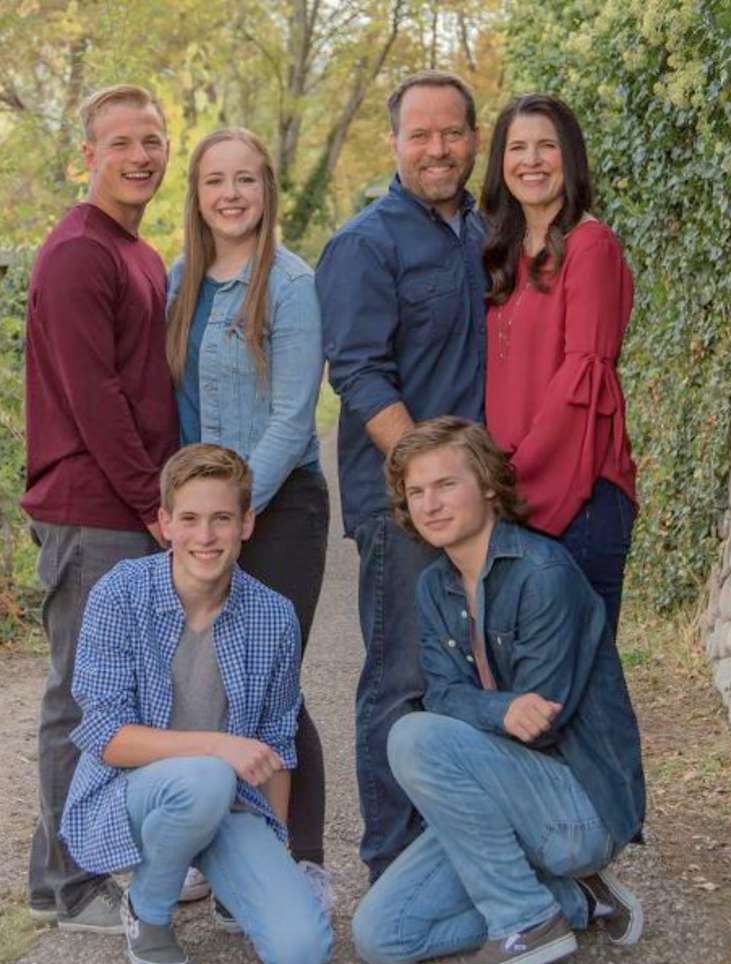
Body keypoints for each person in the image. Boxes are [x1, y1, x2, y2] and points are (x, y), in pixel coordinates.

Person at [352, 417, 646, 964]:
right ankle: (576, 900)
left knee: (413, 737)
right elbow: (441, 694)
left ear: (488, 484)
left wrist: (491, 713)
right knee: (380, 936)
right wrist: (498, 710)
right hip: (497, 795)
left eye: (446, 485)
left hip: (576, 806)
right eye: (417, 492)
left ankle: (525, 921)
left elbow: (539, 726)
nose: (430, 504)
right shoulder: (435, 586)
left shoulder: (542, 574)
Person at [59, 444, 334, 964]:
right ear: (164, 523)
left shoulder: (273, 616)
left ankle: (228, 876)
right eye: (188, 519)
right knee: (207, 775)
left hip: (228, 801)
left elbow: (277, 744)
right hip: (131, 794)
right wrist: (216, 747)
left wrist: (273, 852)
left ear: (247, 523)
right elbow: (105, 735)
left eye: (221, 519)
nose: (204, 537)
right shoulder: (120, 594)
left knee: (303, 952)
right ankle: (149, 912)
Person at [316, 70, 487, 884]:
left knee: (471, 672)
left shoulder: (486, 234)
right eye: (420, 135)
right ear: (394, 144)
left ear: (474, 140)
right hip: (403, 506)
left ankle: (456, 849)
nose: (437, 149)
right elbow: (357, 372)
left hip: (481, 504)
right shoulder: (366, 242)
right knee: (402, 677)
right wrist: (427, 481)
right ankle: (391, 859)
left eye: (451, 132)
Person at [20, 84, 179, 933]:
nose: (140, 156)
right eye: (121, 142)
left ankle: (92, 856)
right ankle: (64, 886)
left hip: (125, 508)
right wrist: (156, 504)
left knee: (119, 696)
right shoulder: (79, 253)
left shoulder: (138, 253)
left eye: (151, 140)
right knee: (82, 700)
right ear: (88, 155)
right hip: (92, 509)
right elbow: (95, 398)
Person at [164, 127, 332, 919]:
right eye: (213, 182)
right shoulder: (180, 285)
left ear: (267, 190)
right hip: (208, 515)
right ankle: (216, 851)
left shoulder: (292, 284)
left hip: (282, 506)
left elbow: (295, 417)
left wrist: (236, 509)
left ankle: (302, 857)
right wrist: (195, 514)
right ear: (196, 198)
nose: (230, 195)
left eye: (245, 181)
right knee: (202, 683)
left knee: (271, 679)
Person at [480, 94, 638, 638]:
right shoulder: (505, 252)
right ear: (501, 161)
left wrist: (513, 481)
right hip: (521, 495)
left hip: (578, 494)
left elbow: (582, 386)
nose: (532, 160)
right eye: (518, 147)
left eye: (547, 146)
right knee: (532, 687)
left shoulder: (589, 246)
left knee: (583, 687)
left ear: (570, 157)